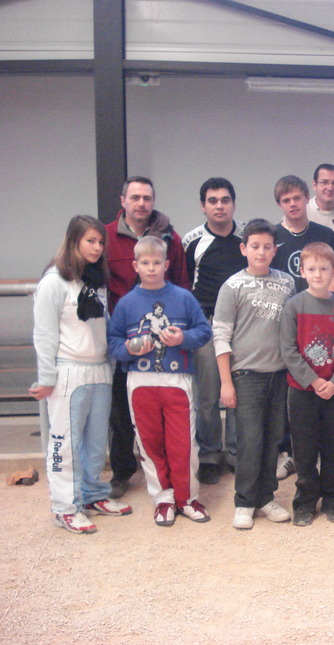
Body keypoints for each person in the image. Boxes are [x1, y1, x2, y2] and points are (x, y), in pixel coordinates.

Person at [31, 215, 133, 534]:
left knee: (95, 442)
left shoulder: (96, 281)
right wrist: (47, 377)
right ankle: (65, 506)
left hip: (99, 369)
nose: (98, 247)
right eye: (91, 240)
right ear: (74, 241)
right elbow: (44, 334)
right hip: (68, 372)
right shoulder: (53, 282)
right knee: (66, 443)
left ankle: (92, 495)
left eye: (101, 242)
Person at [107, 236, 212, 527]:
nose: (151, 268)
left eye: (156, 263)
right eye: (145, 263)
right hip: (140, 380)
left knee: (183, 443)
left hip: (177, 379)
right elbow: (113, 342)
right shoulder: (127, 303)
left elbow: (203, 332)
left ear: (166, 264)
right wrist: (129, 348)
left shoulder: (183, 297)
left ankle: (187, 497)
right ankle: (163, 499)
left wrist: (183, 338)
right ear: (135, 265)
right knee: (149, 443)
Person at [104, 176, 189, 499]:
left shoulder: (170, 237)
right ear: (123, 200)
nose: (141, 203)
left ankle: (170, 474)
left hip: (162, 341)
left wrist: (175, 330)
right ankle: (123, 471)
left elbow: (182, 284)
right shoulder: (107, 238)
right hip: (123, 338)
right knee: (121, 408)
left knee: (165, 408)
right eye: (135, 197)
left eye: (147, 198)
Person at [213, 219, 295, 530]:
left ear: (275, 250)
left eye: (267, 246)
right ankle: (244, 502)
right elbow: (220, 335)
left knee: (273, 439)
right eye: (255, 246)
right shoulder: (232, 286)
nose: (261, 252)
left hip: (279, 374)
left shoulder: (287, 282)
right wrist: (226, 382)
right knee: (249, 440)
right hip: (245, 375)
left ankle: (265, 498)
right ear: (243, 248)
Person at [271, 174, 334, 480]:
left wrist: (333, 306)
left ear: (306, 199)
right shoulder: (274, 235)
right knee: (292, 392)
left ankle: (326, 469)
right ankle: (289, 453)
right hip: (288, 319)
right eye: (286, 200)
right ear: (280, 204)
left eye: (297, 198)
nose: (292, 204)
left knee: (323, 395)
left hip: (323, 320)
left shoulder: (323, 233)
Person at [281, 243, 334, 526]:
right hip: (303, 392)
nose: (318, 274)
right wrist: (313, 381)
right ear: (302, 271)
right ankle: (305, 502)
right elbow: (288, 350)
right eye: (311, 269)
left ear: (333, 271)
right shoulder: (294, 306)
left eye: (323, 269)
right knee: (304, 450)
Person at [182, 177, 247, 485]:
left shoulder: (247, 237)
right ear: (202, 206)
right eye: (212, 201)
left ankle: (235, 452)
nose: (219, 206)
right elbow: (183, 287)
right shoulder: (192, 241)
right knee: (207, 395)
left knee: (238, 394)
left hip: (243, 326)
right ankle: (209, 454)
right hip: (206, 326)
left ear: (233, 203)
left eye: (225, 200)